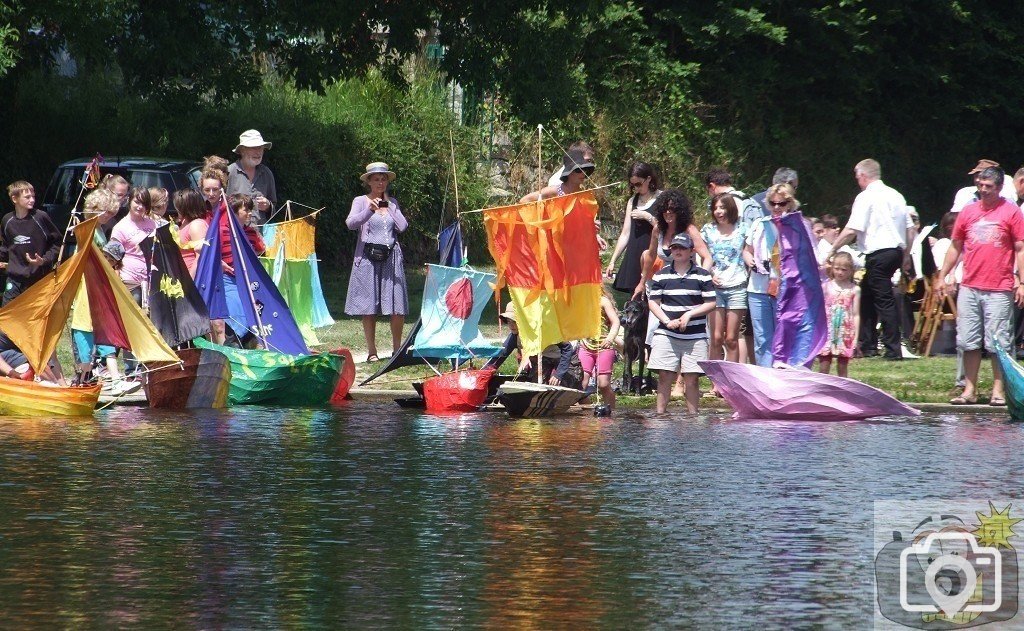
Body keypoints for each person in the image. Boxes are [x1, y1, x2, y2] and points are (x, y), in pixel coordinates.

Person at [935, 166, 1024, 406]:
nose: (983, 190)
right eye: (980, 185)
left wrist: (1022, 281)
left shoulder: (1011, 212)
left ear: (999, 188)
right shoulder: (968, 211)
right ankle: (969, 390)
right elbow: (956, 245)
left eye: (988, 187)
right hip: (970, 285)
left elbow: (1020, 248)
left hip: (999, 286)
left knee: (998, 342)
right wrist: (943, 274)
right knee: (968, 341)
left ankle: (999, 391)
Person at [829, 158, 913, 360]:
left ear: (863, 176)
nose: (858, 182)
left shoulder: (866, 197)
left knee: (884, 300)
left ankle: (893, 349)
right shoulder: (896, 195)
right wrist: (906, 256)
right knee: (866, 295)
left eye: (858, 178)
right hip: (894, 251)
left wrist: (833, 248)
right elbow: (910, 229)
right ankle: (868, 344)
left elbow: (852, 229)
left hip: (879, 252)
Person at [345, 162, 409, 362]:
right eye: (376, 179)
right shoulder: (360, 201)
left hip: (391, 257)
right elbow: (350, 224)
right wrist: (369, 211)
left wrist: (389, 206)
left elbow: (403, 226)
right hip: (367, 258)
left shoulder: (393, 202)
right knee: (368, 305)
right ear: (369, 182)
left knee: (397, 305)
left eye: (384, 179)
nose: (380, 182)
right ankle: (372, 351)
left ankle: (397, 349)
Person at [647, 233, 716, 413]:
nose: (678, 251)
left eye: (682, 248)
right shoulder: (661, 275)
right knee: (664, 375)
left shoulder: (703, 276)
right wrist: (667, 321)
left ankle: (693, 418)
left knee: (692, 378)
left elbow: (711, 303)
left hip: (696, 335)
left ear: (691, 251)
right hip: (666, 333)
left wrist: (689, 315)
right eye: (675, 247)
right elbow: (653, 302)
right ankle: (659, 417)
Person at [742, 183, 800, 367]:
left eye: (781, 203)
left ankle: (784, 377)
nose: (776, 207)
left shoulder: (797, 227)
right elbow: (746, 250)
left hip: (785, 289)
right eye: (773, 203)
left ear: (790, 203)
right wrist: (750, 260)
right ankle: (766, 379)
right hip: (758, 288)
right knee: (762, 338)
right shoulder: (760, 224)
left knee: (784, 336)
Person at [701, 193, 748, 364]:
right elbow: (702, 256)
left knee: (731, 339)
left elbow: (748, 252)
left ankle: (731, 381)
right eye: (715, 208)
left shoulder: (743, 229)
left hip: (737, 286)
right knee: (716, 337)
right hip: (715, 288)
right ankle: (716, 381)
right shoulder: (707, 230)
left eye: (722, 207)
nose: (719, 212)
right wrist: (709, 275)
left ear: (730, 208)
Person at [0, 180, 61, 305]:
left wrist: (44, 260)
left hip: (39, 278)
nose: (32, 200)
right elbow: (6, 246)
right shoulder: (7, 220)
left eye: (33, 196)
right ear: (14, 199)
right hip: (15, 279)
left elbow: (57, 243)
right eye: (27, 197)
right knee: (7, 315)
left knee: (34, 319)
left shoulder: (40, 217)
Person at [606, 162, 660, 296]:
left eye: (638, 184)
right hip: (633, 255)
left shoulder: (661, 198)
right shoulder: (632, 201)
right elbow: (625, 234)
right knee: (634, 302)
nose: (636, 188)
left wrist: (647, 217)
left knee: (654, 297)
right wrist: (613, 261)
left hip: (653, 254)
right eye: (633, 185)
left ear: (648, 179)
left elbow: (667, 228)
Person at [499, 305, 575, 385]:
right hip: (543, 358)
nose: (511, 326)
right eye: (508, 321)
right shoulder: (514, 335)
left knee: (570, 384)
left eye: (514, 321)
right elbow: (501, 354)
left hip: (564, 357)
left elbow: (567, 348)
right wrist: (488, 371)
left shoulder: (545, 330)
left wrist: (559, 374)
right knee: (536, 386)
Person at [578, 288, 621, 414]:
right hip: (586, 346)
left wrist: (610, 338)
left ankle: (610, 411)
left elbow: (616, 322)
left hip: (604, 346)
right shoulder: (580, 303)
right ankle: (587, 411)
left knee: (603, 384)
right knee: (582, 384)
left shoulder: (603, 301)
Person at [818, 252, 860, 378]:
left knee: (842, 364)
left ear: (851, 271)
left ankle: (843, 389)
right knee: (824, 362)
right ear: (832, 267)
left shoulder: (854, 289)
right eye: (837, 268)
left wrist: (856, 337)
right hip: (828, 329)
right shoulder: (825, 286)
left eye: (844, 270)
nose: (840, 272)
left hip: (845, 330)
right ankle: (822, 388)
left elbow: (856, 314)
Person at [227, 129, 277, 223]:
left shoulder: (266, 173)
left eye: (260, 148)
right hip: (236, 233)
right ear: (242, 150)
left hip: (260, 234)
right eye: (253, 147)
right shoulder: (229, 172)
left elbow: (274, 207)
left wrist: (268, 206)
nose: (258, 152)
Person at [949, 159, 1018, 213]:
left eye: (982, 176)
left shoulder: (1008, 200)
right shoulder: (965, 194)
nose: (978, 180)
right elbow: (954, 217)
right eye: (976, 176)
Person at [174, 188, 209, 279]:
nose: (176, 209)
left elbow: (200, 257)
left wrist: (190, 284)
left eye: (178, 206)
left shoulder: (197, 225)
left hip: (194, 280)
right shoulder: (185, 223)